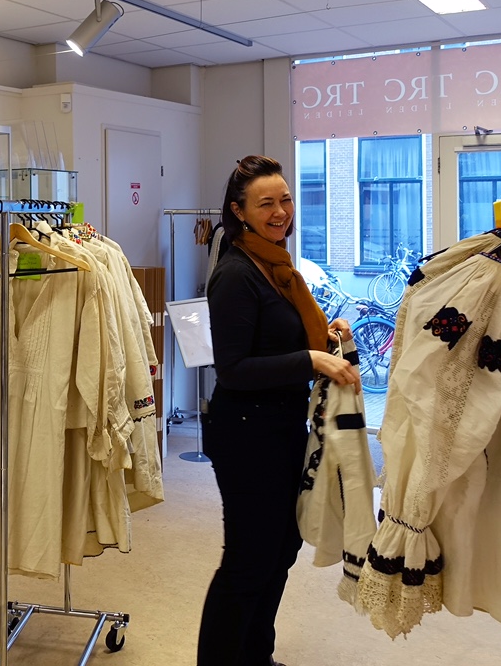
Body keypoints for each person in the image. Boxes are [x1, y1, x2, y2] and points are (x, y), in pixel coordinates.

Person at [197, 155, 359, 666]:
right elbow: (235, 368)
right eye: (265, 203)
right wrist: (309, 359)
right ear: (238, 211)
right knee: (248, 560)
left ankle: (255, 658)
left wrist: (323, 338)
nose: (280, 211)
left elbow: (280, 337)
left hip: (281, 427)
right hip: (245, 433)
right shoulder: (236, 274)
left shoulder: (279, 267)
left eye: (284, 199)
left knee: (280, 550)